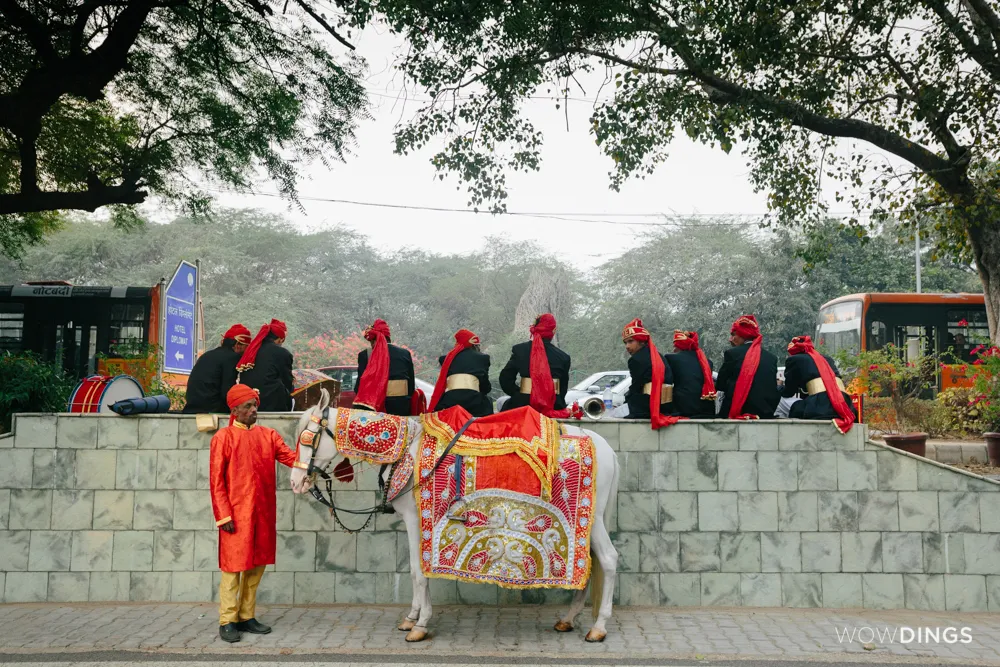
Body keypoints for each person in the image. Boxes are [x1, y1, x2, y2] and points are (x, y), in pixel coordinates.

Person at [210, 384, 298, 643]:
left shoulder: (268, 435)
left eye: (254, 405)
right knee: (233, 569)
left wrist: (315, 458)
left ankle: (246, 616)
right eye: (247, 406)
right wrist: (223, 515)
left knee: (255, 568)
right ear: (234, 410)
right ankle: (227, 620)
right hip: (235, 516)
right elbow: (216, 482)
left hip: (262, 512)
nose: (253, 410)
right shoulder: (223, 438)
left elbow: (292, 459)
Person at [498, 313, 571, 415]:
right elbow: (563, 388)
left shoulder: (519, 350)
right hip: (553, 405)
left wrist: (519, 394)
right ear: (553, 331)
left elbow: (505, 378)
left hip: (523, 404)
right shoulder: (563, 357)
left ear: (535, 328)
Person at [782, 335, 857, 432]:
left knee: (788, 405)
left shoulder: (794, 360)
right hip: (844, 404)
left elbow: (788, 392)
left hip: (819, 405)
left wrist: (777, 389)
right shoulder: (827, 358)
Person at [715, 315, 780, 420]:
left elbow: (720, 385)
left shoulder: (732, 353)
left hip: (739, 411)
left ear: (742, 335)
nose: (730, 339)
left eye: (733, 335)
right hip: (765, 412)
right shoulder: (771, 358)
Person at [620, 318, 681, 428]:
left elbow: (636, 386)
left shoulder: (636, 359)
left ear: (641, 341)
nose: (627, 346)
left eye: (630, 341)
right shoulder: (658, 355)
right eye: (625, 343)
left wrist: (626, 400)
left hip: (647, 407)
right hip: (667, 407)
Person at [183, 324, 251, 414]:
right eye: (247, 347)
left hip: (192, 407)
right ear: (238, 345)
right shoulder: (232, 357)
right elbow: (227, 392)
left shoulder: (207, 354)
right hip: (211, 409)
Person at [354, 318, 416, 416]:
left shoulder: (365, 355)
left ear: (374, 340)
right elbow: (411, 387)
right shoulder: (405, 354)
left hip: (374, 410)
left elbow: (358, 388)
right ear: (388, 337)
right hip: (401, 408)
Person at [427, 328, 493, 416]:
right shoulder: (482, 358)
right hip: (474, 402)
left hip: (450, 402)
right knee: (487, 403)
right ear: (475, 345)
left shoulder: (445, 359)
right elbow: (485, 387)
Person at [236, 319, 294, 412]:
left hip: (248, 402)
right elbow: (287, 382)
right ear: (280, 339)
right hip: (273, 404)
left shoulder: (251, 350)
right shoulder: (282, 353)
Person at [666, 330, 717, 418]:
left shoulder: (671, 358)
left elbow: (667, 381)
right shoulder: (708, 362)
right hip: (707, 409)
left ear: (679, 346)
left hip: (681, 409)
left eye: (675, 346)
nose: (673, 350)